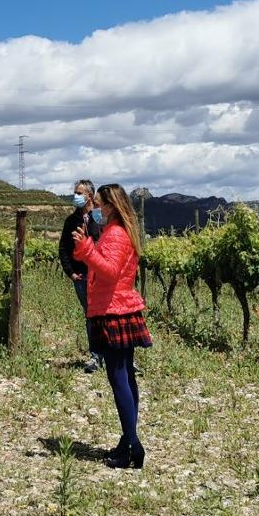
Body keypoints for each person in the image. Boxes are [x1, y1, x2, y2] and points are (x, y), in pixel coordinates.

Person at [72, 183, 151, 469]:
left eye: (101, 204)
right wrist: (86, 249)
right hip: (120, 308)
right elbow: (102, 263)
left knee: (119, 380)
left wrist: (86, 250)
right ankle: (127, 439)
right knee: (127, 379)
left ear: (112, 206)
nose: (96, 210)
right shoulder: (116, 232)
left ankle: (133, 446)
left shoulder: (116, 234)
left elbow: (109, 271)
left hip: (113, 311)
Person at [59, 179, 103, 372]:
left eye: (79, 193)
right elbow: (63, 248)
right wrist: (70, 272)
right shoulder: (71, 221)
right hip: (82, 277)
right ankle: (95, 356)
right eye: (75, 192)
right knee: (91, 316)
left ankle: (113, 354)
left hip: (101, 274)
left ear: (90, 196)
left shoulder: (101, 218)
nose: (75, 196)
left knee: (107, 314)